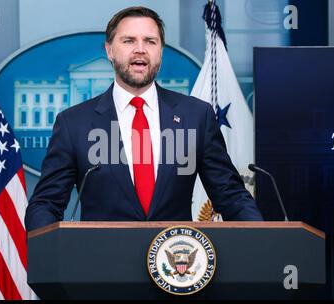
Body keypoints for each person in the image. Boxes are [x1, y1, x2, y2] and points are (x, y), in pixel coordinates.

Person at [25, 6, 263, 232]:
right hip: (100, 268)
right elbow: (46, 203)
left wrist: (263, 239)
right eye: (129, 41)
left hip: (177, 263)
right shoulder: (73, 123)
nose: (140, 49)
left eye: (150, 41)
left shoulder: (196, 115)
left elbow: (230, 194)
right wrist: (47, 253)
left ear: (160, 51)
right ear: (109, 50)